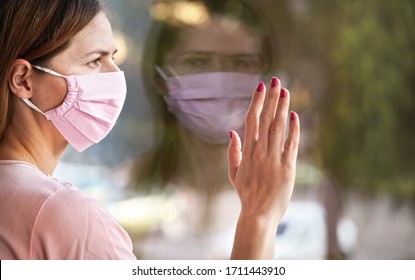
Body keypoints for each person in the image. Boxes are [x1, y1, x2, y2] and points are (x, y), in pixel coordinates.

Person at [0, 0, 300, 260]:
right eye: (94, 61)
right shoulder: (67, 218)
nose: (115, 76)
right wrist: (259, 218)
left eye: (112, 58)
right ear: (24, 80)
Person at [128, 0, 284, 259]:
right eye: (198, 62)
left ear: (265, 78)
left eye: (241, 63)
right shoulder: (127, 194)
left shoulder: (301, 195)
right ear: (160, 80)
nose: (220, 78)